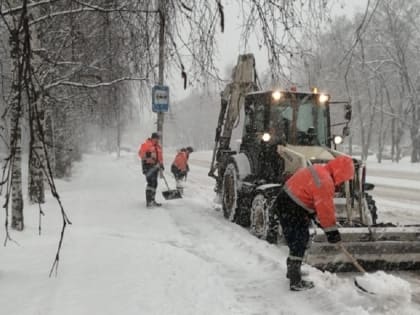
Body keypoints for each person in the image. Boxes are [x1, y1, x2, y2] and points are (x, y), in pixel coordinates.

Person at [276, 155, 354, 291]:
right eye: (344, 178)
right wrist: (332, 233)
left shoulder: (319, 169)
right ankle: (295, 281)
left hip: (286, 201)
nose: (342, 182)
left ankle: (293, 271)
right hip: (292, 207)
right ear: (340, 173)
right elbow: (325, 210)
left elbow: (310, 196)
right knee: (299, 241)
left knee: (296, 240)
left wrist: (314, 216)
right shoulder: (325, 182)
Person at [138, 132, 164, 207]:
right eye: (156, 138)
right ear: (153, 138)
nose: (157, 140)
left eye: (158, 139)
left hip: (155, 167)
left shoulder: (158, 147)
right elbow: (140, 154)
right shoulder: (146, 144)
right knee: (151, 183)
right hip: (148, 166)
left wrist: (161, 164)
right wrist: (148, 154)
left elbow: (160, 157)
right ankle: (149, 201)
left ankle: (152, 200)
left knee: (155, 183)